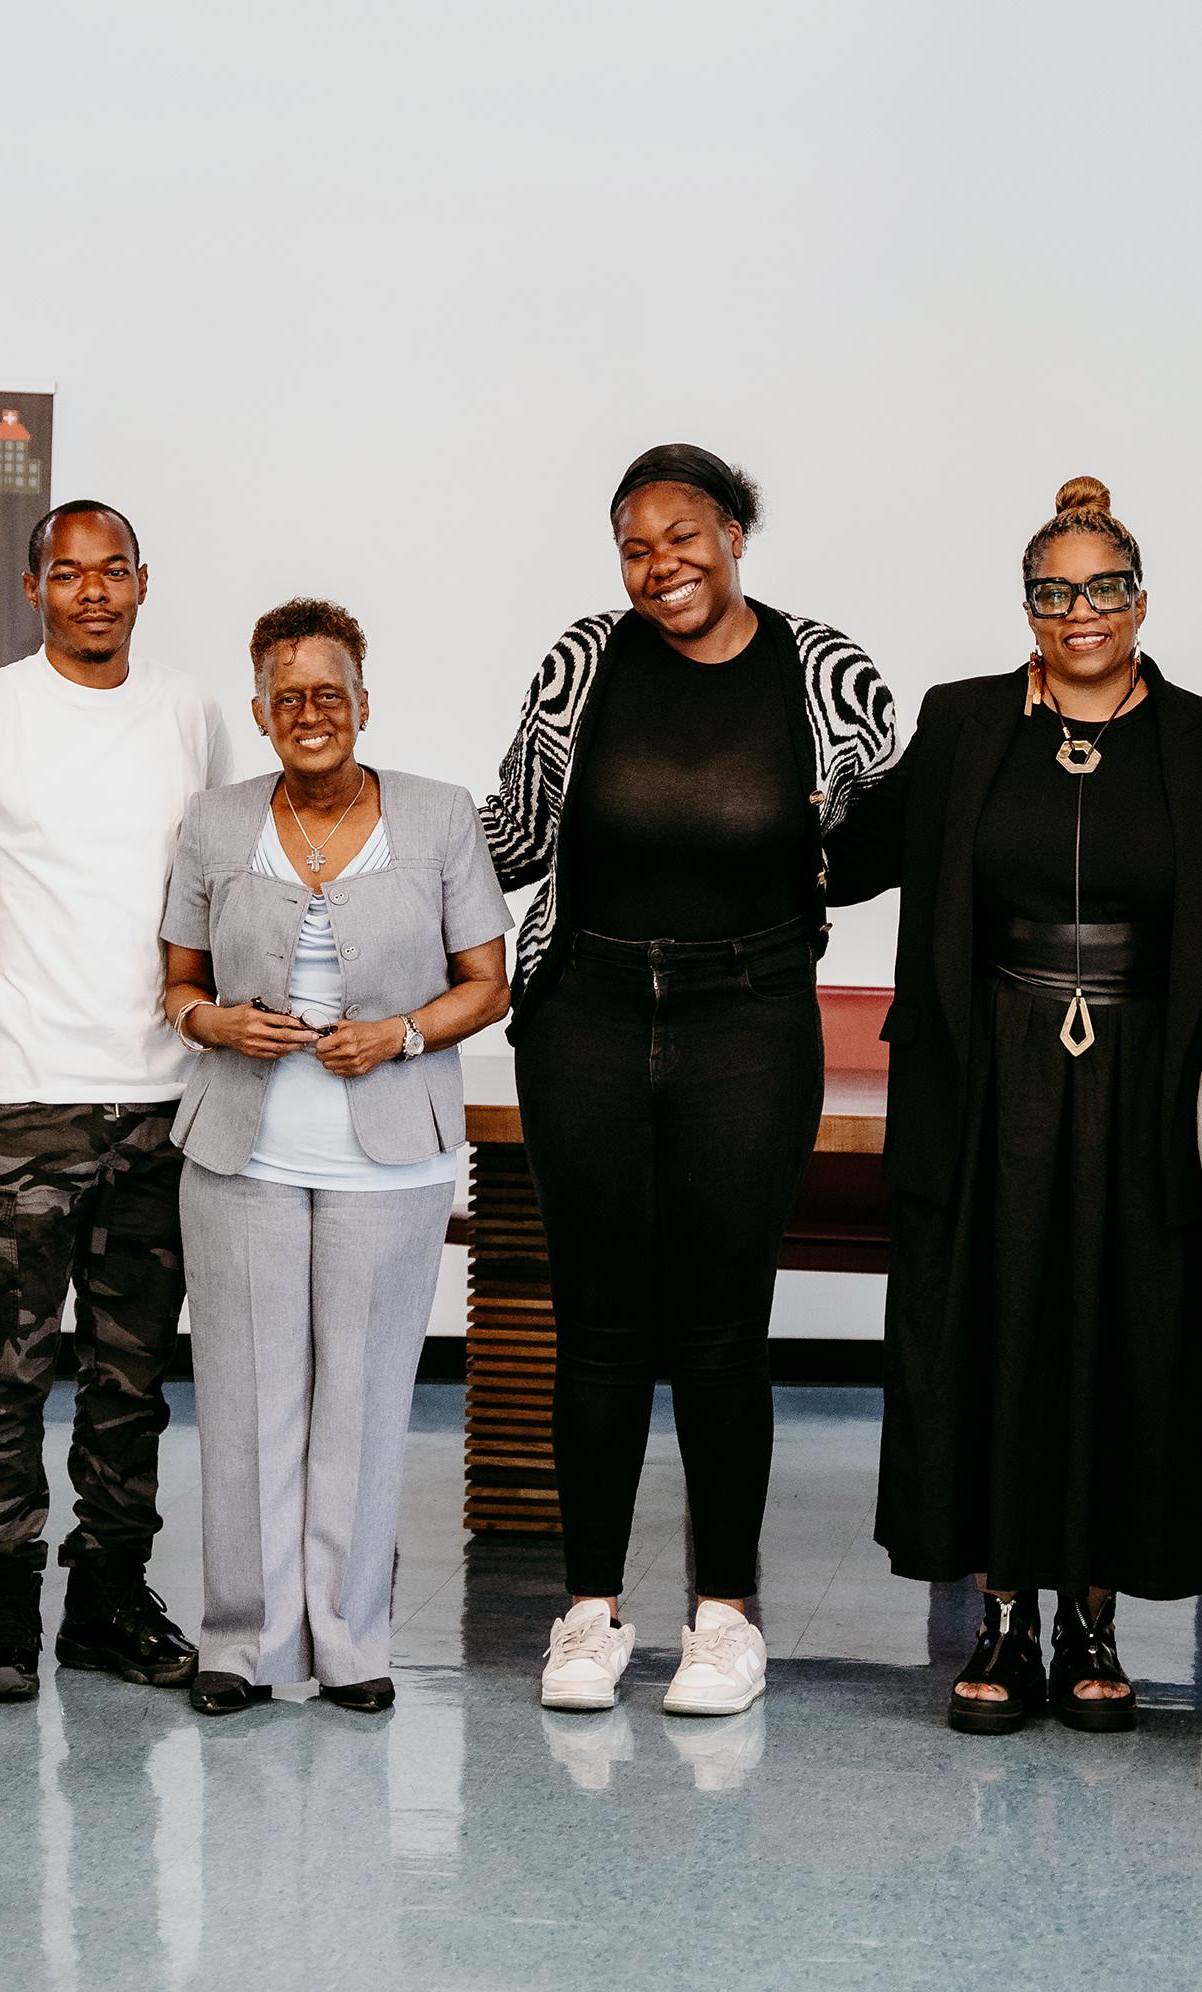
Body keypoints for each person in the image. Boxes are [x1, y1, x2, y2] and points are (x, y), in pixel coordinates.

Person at [481, 444, 898, 1714]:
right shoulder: (583, 660)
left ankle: (725, 1619)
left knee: (722, 1328)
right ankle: (588, 1616)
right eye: (634, 544)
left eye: (683, 534)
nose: (660, 563)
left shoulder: (821, 669)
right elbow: (509, 838)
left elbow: (878, 841)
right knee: (600, 1327)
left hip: (749, 1015)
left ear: (735, 532)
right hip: (589, 1014)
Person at [826, 476, 1202, 1733]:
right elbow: (848, 849)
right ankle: (1003, 1612)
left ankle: (1094, 1616)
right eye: (1056, 590)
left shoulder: (1199, 739)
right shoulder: (967, 721)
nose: (1081, 610)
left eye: (1105, 588)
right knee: (994, 1323)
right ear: (1029, 607)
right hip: (989, 1062)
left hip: (1147, 1072)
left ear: (1141, 600)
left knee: (1122, 1329)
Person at [162, 597, 511, 1716]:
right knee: (249, 1398)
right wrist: (217, 1022)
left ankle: (352, 1643)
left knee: (361, 1402)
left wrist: (400, 1034)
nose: (310, 713)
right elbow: (176, 985)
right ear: (261, 712)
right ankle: (245, 1645)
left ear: (365, 704)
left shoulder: (438, 815)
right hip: (242, 1152)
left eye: (331, 693)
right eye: (288, 697)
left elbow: (486, 983)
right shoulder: (216, 825)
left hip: (392, 1153)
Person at [0, 498, 232, 1701]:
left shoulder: (189, 712)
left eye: (114, 571)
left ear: (145, 581)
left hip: (161, 1095)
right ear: (36, 588)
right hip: (25, 1090)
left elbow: (219, 883)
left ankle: (108, 1605)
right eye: (70, 575)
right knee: (7, 1371)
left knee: (131, 1378)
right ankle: (5, 1618)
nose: (95, 592)